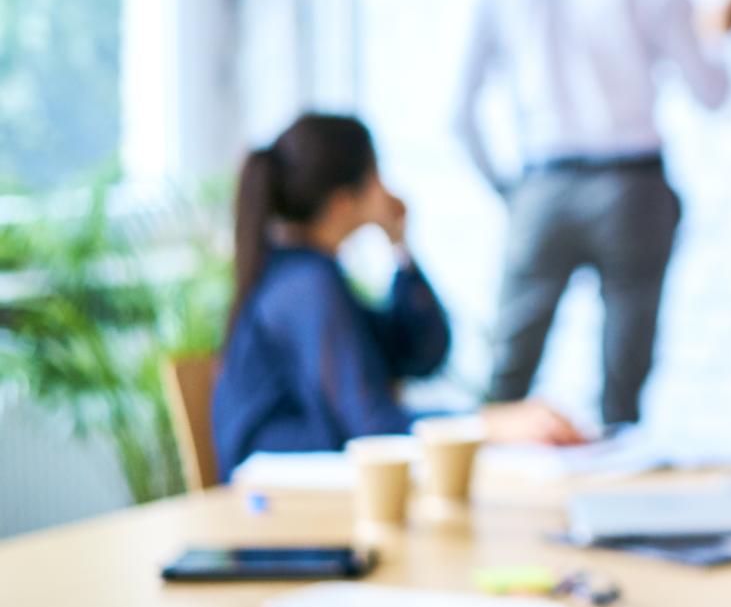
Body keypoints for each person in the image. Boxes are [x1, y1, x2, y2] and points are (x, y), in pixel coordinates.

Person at [454, 0, 731, 429]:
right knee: (622, 393)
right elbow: (710, 93)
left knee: (504, 386)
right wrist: (715, 33)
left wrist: (514, 194)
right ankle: (617, 511)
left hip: (542, 182)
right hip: (632, 191)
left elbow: (459, 113)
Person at [212, 112, 583, 480]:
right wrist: (488, 425)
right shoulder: (303, 286)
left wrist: (399, 246)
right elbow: (371, 426)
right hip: (284, 504)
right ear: (343, 202)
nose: (388, 188)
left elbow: (423, 353)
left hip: (317, 490)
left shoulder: (312, 276)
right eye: (376, 175)